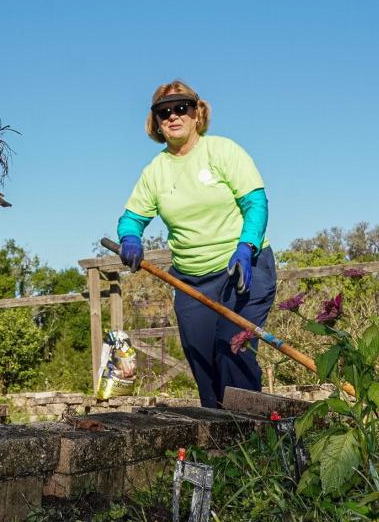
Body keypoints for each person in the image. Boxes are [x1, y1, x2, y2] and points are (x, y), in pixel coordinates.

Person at [116, 80, 275, 408]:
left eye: (181, 108)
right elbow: (132, 217)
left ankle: (254, 443)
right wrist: (130, 237)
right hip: (191, 283)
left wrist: (247, 247)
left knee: (232, 351)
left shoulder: (222, 151)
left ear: (197, 113)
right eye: (164, 112)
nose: (173, 116)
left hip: (243, 269)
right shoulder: (155, 172)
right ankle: (221, 449)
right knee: (203, 362)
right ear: (155, 122)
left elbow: (256, 203)